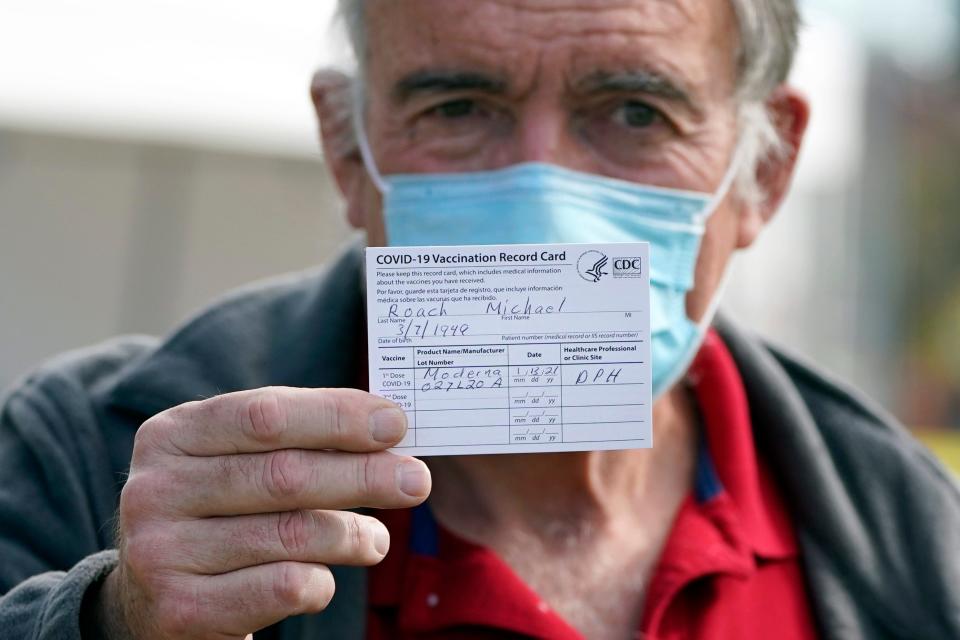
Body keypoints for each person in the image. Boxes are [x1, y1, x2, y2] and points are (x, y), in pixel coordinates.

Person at [2, 0, 959, 638]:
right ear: (348, 147)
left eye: (633, 113)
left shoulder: (918, 538)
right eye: (460, 104)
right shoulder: (86, 452)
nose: (543, 192)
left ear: (765, 168)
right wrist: (106, 620)